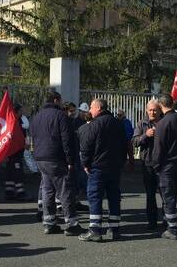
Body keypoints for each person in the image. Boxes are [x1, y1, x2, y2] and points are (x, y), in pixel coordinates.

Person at [30, 91, 82, 235]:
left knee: (47, 190)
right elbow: (67, 140)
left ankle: (49, 222)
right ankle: (72, 223)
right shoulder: (60, 116)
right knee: (65, 191)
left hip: (41, 158)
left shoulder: (37, 116)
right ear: (56, 100)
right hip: (56, 158)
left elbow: (33, 136)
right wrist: (70, 160)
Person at [78, 99, 127, 242]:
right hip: (114, 168)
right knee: (114, 197)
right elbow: (125, 145)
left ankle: (95, 230)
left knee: (94, 197)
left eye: (92, 108)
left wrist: (85, 164)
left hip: (97, 168)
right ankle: (114, 229)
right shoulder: (118, 124)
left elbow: (86, 148)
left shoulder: (93, 125)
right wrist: (121, 163)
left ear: (98, 108)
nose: (90, 111)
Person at [152, 94, 177, 240]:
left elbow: (158, 148)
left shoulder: (163, 123)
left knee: (168, 197)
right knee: (173, 195)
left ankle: (172, 228)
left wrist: (156, 165)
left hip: (167, 166)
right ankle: (169, 221)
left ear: (160, 105)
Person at [132, 100, 162, 229]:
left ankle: (168, 220)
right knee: (150, 195)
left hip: (162, 163)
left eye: (155, 110)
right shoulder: (142, 123)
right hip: (148, 164)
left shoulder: (164, 122)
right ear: (146, 110)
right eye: (150, 110)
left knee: (165, 194)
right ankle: (152, 222)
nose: (152, 112)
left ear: (160, 110)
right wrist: (146, 135)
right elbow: (134, 141)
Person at [4, 103, 30, 201]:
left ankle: (9, 191)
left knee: (10, 171)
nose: (22, 112)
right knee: (17, 172)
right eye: (21, 111)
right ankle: (20, 192)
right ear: (17, 111)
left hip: (14, 151)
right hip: (15, 151)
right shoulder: (13, 122)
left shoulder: (15, 120)